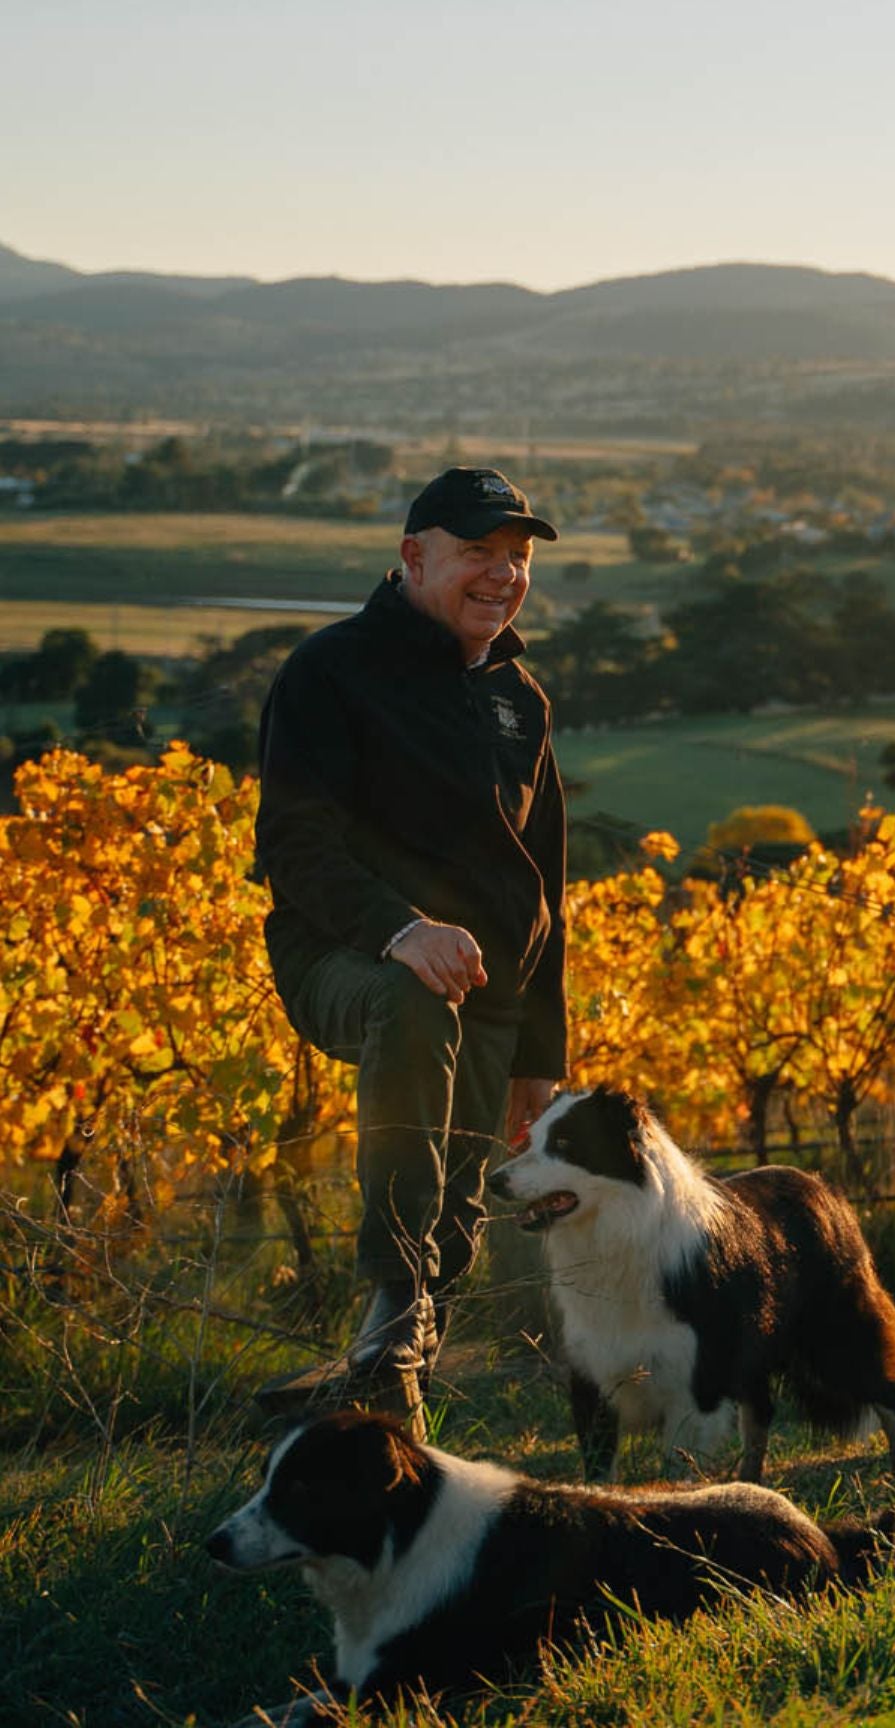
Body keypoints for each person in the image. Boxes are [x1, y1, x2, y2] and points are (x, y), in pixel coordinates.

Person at [255, 467, 568, 1409]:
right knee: (409, 995)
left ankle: (371, 1386)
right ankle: (393, 1319)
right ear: (412, 557)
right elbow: (293, 847)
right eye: (477, 552)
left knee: (462, 1210)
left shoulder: (521, 700)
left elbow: (545, 884)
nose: (501, 575)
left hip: (489, 992)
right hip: (345, 960)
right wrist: (400, 931)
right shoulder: (331, 670)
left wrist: (540, 1054)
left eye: (515, 558)